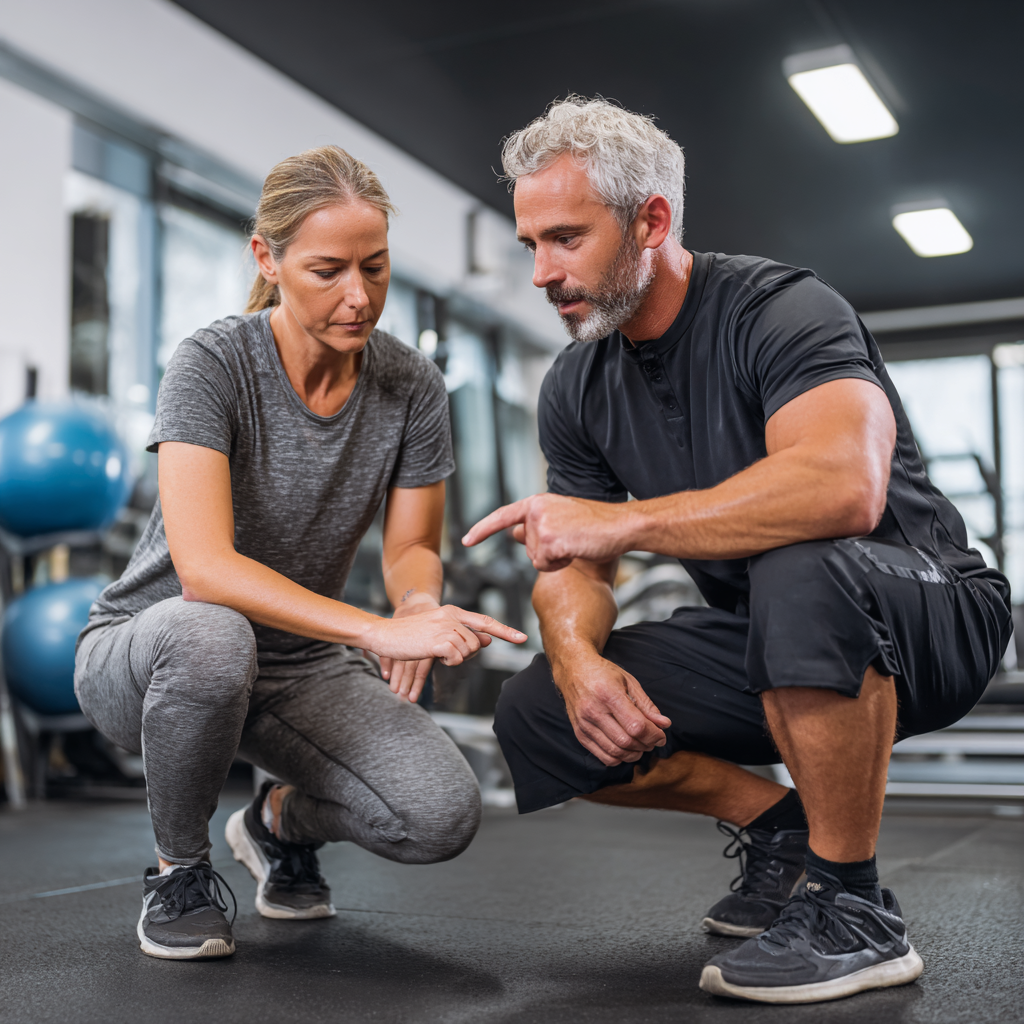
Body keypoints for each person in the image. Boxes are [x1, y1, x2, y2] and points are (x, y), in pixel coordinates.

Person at [463, 97, 1011, 1005]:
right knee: (540, 713)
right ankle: (783, 827)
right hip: (775, 632)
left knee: (800, 559)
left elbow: (842, 489)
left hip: (930, 611)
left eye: (565, 238)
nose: (541, 273)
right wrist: (574, 659)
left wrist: (626, 524)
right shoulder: (577, 383)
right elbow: (574, 561)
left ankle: (855, 910)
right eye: (530, 245)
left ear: (652, 220)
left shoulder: (783, 309)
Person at [74, 145, 526, 960]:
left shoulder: (411, 386)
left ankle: (276, 822)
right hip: (151, 648)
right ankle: (178, 871)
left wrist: (416, 603)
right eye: (328, 271)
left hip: (296, 667)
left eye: (376, 268)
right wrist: (374, 631)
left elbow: (414, 544)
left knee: (440, 814)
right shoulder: (213, 363)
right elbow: (206, 570)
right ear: (268, 260)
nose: (359, 297)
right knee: (214, 636)